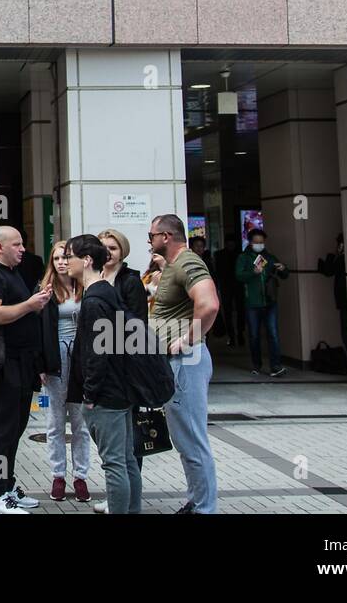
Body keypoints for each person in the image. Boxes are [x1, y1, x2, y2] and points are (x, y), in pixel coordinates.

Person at [65, 234, 143, 514]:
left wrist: (90, 393)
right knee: (126, 460)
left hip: (106, 395)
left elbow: (99, 352)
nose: (64, 261)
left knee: (114, 464)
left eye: (69, 256)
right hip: (119, 389)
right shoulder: (107, 292)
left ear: (86, 261)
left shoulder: (95, 300)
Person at [0, 226, 50, 513]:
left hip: (22, 362)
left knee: (16, 427)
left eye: (23, 244)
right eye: (17, 244)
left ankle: (7, 486)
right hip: (4, 364)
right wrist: (29, 305)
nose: (22, 249)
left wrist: (35, 303)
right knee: (2, 430)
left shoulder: (11, 272)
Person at [148, 214, 220, 514]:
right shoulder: (176, 265)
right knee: (184, 439)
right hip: (177, 361)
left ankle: (204, 508)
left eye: (152, 236)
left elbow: (210, 303)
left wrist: (188, 340)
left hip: (186, 361)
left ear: (166, 236)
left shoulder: (188, 263)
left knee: (191, 439)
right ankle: (197, 501)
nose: (149, 242)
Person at [38, 240, 91, 503]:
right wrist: (40, 365)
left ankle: (80, 476)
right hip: (55, 359)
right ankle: (58, 475)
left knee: (80, 423)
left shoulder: (86, 287)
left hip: (81, 358)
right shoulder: (45, 290)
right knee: (55, 422)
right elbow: (37, 330)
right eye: (56, 258)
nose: (61, 262)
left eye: (65, 257)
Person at [236, 229, 289, 376]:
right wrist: (253, 272)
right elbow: (239, 276)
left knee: (273, 333)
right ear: (250, 242)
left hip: (269, 301)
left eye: (261, 242)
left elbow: (285, 274)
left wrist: (283, 268)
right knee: (254, 335)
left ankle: (276, 366)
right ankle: (256, 365)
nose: (259, 244)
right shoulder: (244, 257)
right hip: (252, 302)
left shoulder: (269, 257)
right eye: (256, 242)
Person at [318, 234, 347, 352]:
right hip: (345, 299)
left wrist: (334, 255)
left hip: (344, 300)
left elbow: (328, 271)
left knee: (346, 332)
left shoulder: (342, 259)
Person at [213, 243, 242, 346]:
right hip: (233, 287)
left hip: (227, 287)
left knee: (230, 312)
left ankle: (233, 336)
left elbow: (217, 271)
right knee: (236, 312)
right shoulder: (239, 255)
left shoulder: (219, 255)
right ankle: (237, 336)